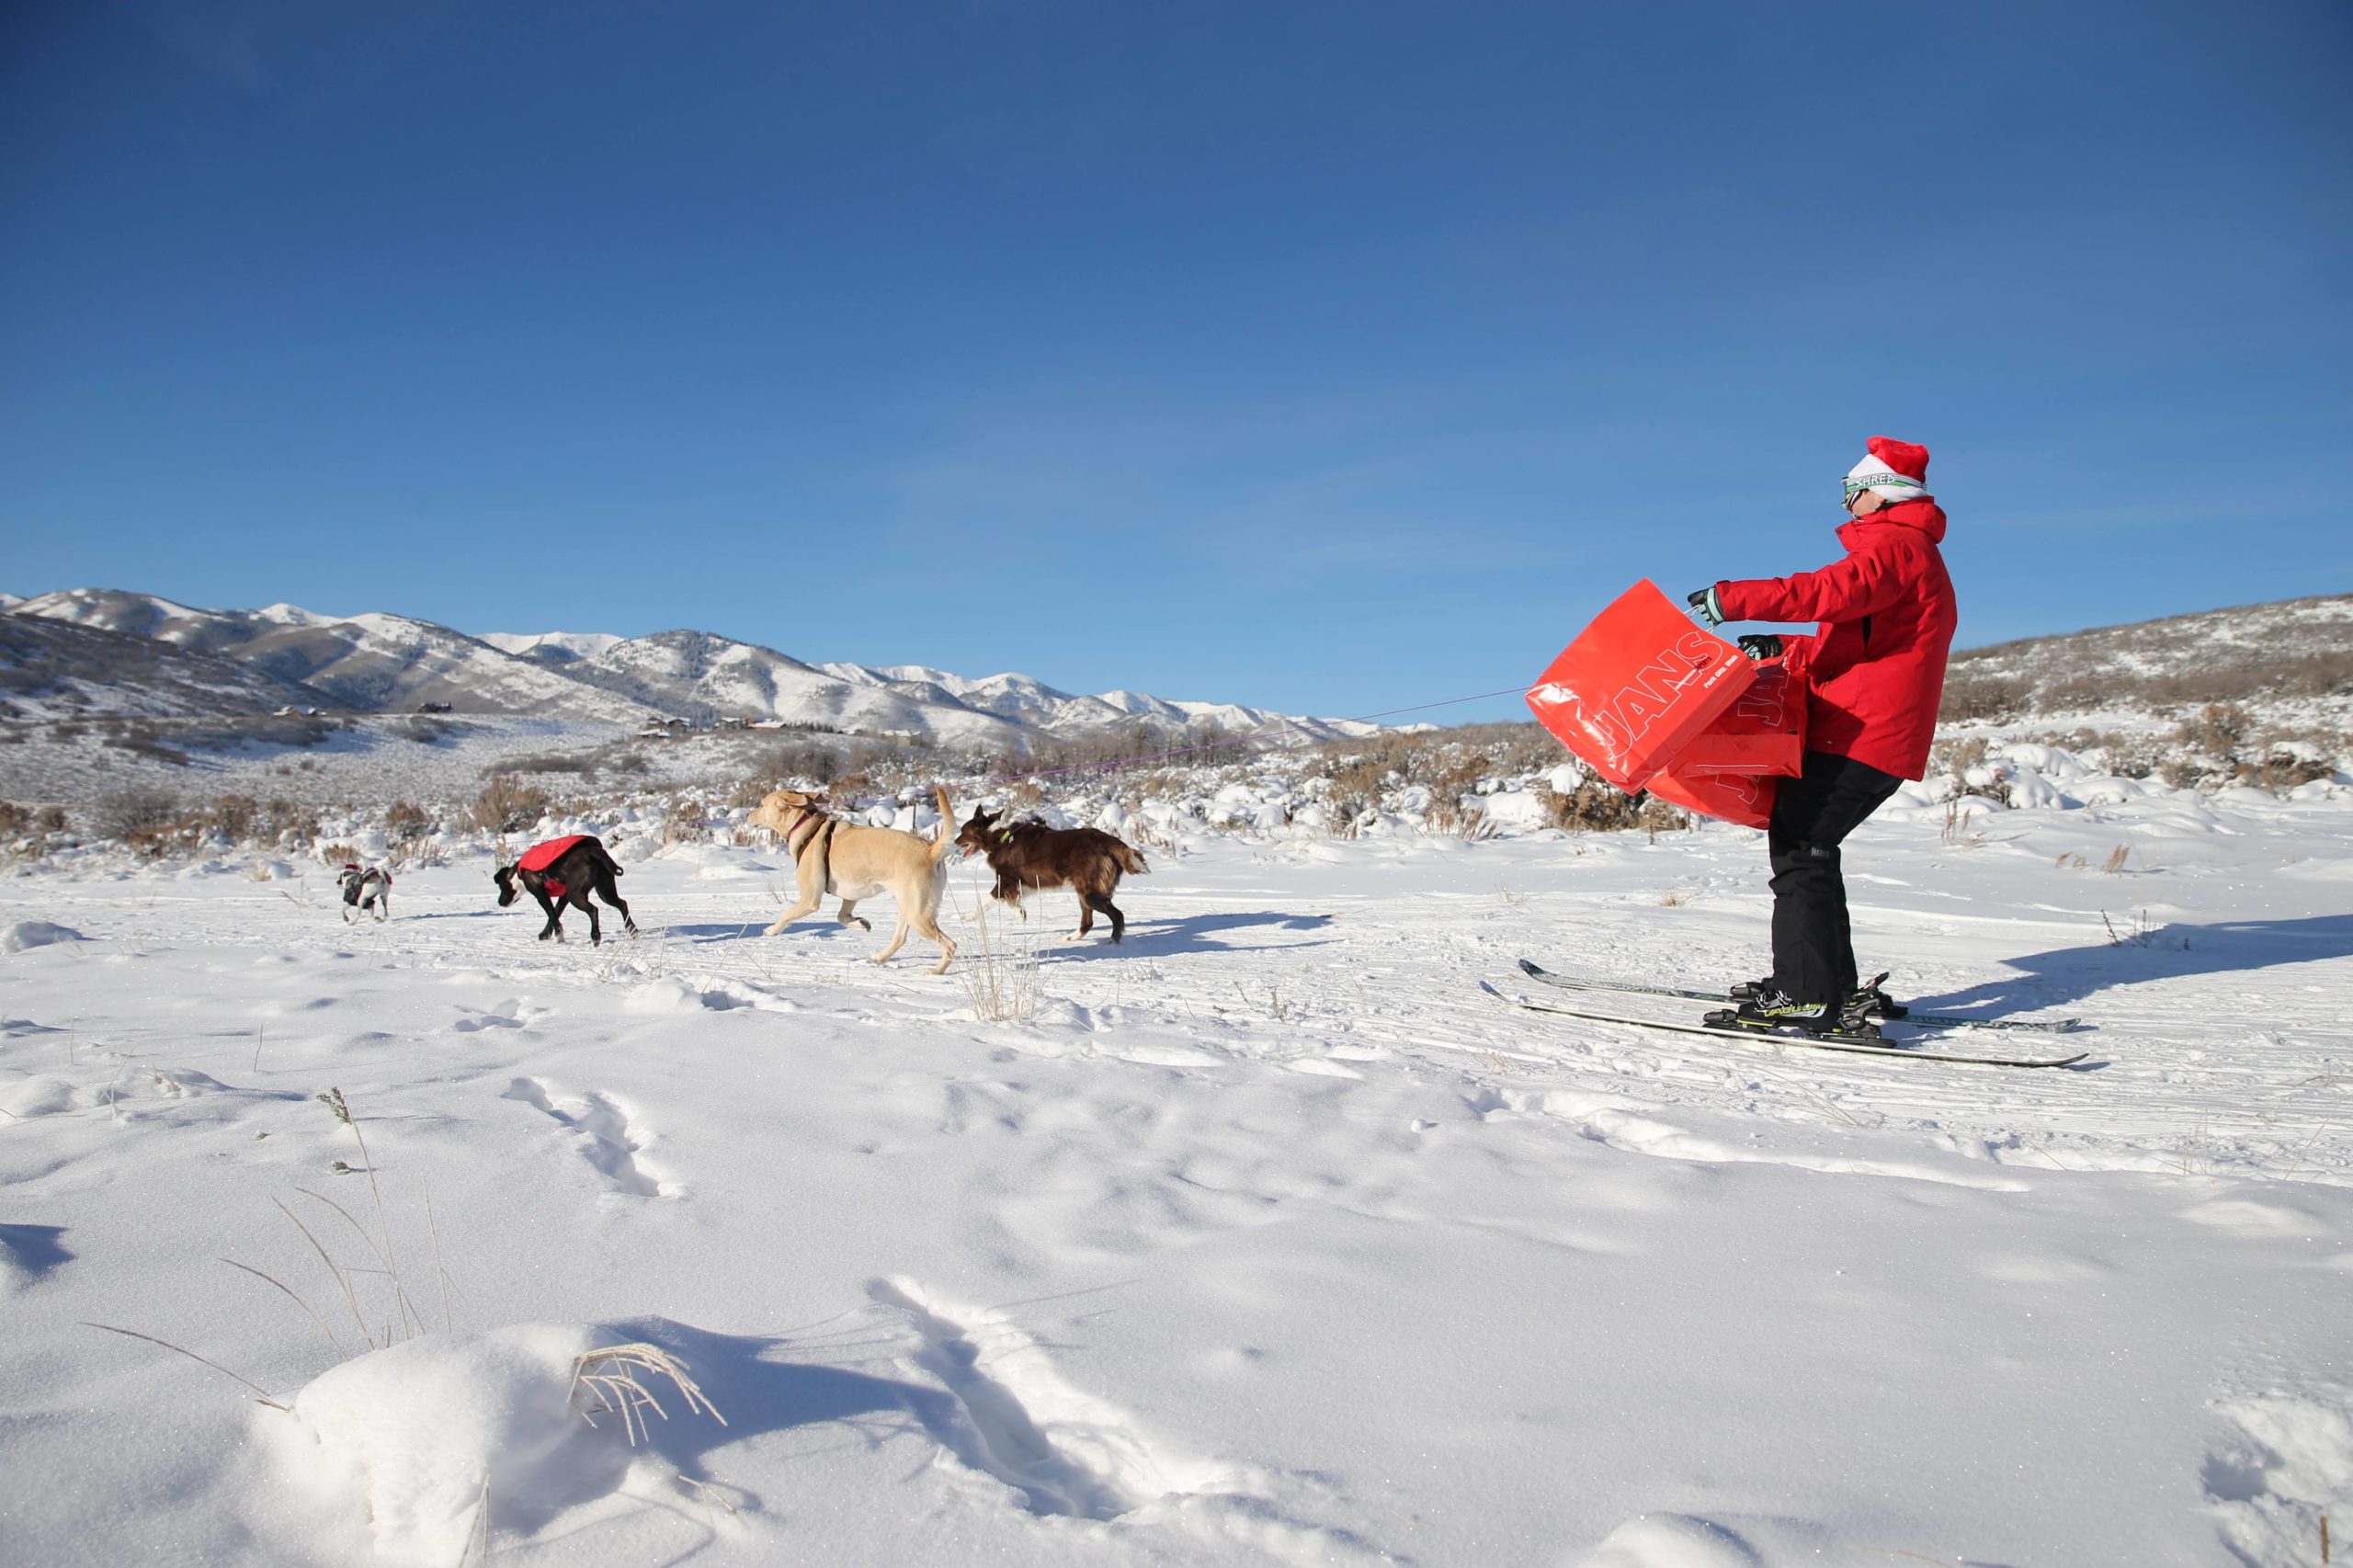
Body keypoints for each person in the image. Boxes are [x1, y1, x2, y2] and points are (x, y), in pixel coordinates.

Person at [1685, 436, 1956, 1033]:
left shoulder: (1896, 546)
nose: (1845, 504)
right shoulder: (1908, 552)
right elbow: (1860, 647)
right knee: (1812, 848)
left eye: (1850, 491)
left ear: (1879, 493)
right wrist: (1785, 648)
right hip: (1873, 730)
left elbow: (1824, 593)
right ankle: (1830, 987)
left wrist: (1733, 600)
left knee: (1800, 848)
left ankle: (1805, 992)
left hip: (1862, 734)